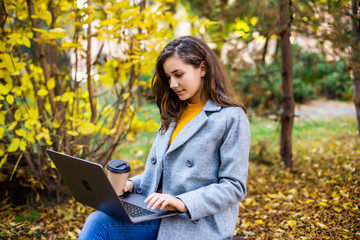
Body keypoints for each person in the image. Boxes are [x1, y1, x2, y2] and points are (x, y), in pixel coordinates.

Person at [78, 35, 250, 240]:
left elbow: (233, 186)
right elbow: (166, 173)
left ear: (202, 68)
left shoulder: (230, 117)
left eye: (178, 74)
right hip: (155, 212)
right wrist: (132, 184)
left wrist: (183, 202)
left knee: (100, 224)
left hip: (193, 222)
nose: (173, 84)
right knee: (101, 218)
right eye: (168, 77)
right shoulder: (173, 113)